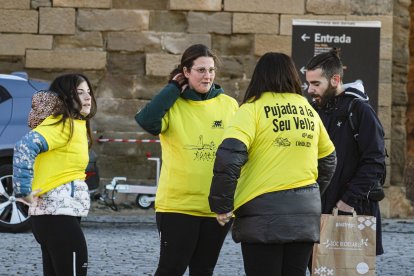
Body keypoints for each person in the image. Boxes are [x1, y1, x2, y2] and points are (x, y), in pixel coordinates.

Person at [208, 52, 337, 276]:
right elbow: (329, 159)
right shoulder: (307, 110)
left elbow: (229, 157)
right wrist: (312, 193)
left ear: (259, 76)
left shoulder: (251, 109)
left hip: (262, 214)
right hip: (304, 215)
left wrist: (222, 205)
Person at [135, 44, 239, 276]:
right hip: (177, 206)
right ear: (186, 72)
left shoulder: (229, 105)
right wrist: (173, 88)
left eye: (211, 70)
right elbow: (147, 121)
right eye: (201, 70)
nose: (208, 75)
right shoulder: (171, 105)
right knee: (171, 269)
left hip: (216, 208)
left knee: (204, 270)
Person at [13, 73, 97, 276]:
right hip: (57, 216)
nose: (88, 98)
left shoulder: (75, 125)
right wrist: (23, 191)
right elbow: (24, 146)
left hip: (56, 216)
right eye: (79, 93)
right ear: (65, 97)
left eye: (89, 92)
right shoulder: (61, 124)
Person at [305, 48, 386, 256]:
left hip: (353, 211)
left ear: (335, 80)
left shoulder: (360, 110)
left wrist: (348, 201)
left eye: (316, 84)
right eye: (308, 83)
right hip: (316, 211)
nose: (310, 90)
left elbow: (375, 161)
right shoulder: (314, 110)